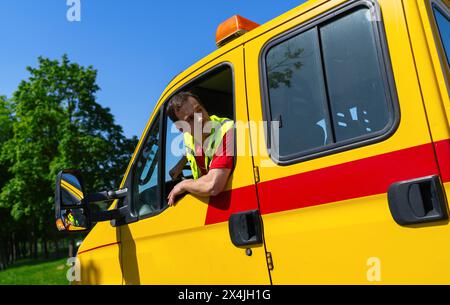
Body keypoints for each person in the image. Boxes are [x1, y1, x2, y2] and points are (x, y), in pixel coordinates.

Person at [166, 91, 234, 207]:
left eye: (199, 110)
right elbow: (192, 148)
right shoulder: (189, 136)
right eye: (190, 119)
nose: (200, 119)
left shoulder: (227, 131)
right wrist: (180, 164)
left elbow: (213, 185)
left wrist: (184, 184)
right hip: (208, 206)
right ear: (182, 129)